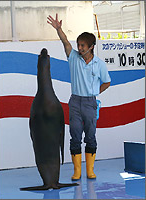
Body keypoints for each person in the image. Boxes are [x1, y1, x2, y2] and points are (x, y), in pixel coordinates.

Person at [47, 14, 111, 180]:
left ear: (91, 47)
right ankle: (77, 171)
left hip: (90, 102)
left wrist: (95, 92)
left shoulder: (99, 64)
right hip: (75, 101)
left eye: (83, 45)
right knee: (75, 134)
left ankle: (90, 170)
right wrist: (59, 29)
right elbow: (65, 42)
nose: (79, 48)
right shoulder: (74, 58)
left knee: (90, 135)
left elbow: (107, 82)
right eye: (79, 45)